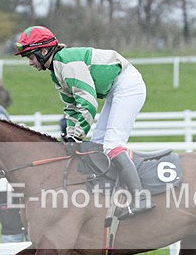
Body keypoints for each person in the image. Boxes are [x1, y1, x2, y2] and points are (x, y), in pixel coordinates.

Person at [14, 25, 153, 218]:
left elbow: (87, 103)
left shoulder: (68, 64)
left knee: (112, 145)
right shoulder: (56, 71)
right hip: (116, 89)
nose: (30, 62)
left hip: (127, 85)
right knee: (96, 145)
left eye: (31, 56)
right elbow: (71, 107)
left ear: (44, 51)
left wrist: (76, 135)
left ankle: (141, 198)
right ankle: (114, 195)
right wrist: (71, 135)